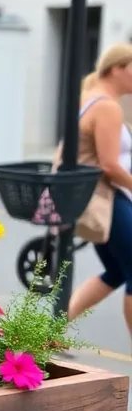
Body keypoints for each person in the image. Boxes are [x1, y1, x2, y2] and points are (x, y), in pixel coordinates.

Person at [68, 42, 132, 335]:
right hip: (102, 196)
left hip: (90, 195)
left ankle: (51, 332)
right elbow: (109, 165)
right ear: (117, 68)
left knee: (117, 271)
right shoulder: (107, 106)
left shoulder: (90, 98)